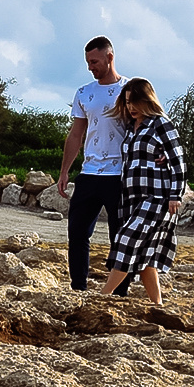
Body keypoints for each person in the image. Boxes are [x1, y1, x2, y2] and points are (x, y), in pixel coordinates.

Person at [96, 77, 185, 304]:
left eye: (135, 102)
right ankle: (158, 304)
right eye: (127, 102)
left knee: (126, 240)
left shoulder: (161, 124)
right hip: (132, 198)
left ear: (147, 100)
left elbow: (178, 162)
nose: (131, 107)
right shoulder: (130, 127)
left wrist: (176, 195)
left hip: (158, 198)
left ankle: (103, 296)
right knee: (146, 254)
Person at [56, 35, 129, 292]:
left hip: (120, 174)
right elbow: (76, 133)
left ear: (110, 57)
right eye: (88, 62)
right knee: (77, 233)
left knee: (119, 236)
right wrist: (65, 171)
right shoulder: (84, 93)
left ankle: (120, 292)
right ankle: (78, 287)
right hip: (89, 173)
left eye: (95, 61)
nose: (91, 67)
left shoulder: (131, 90)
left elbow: (149, 125)